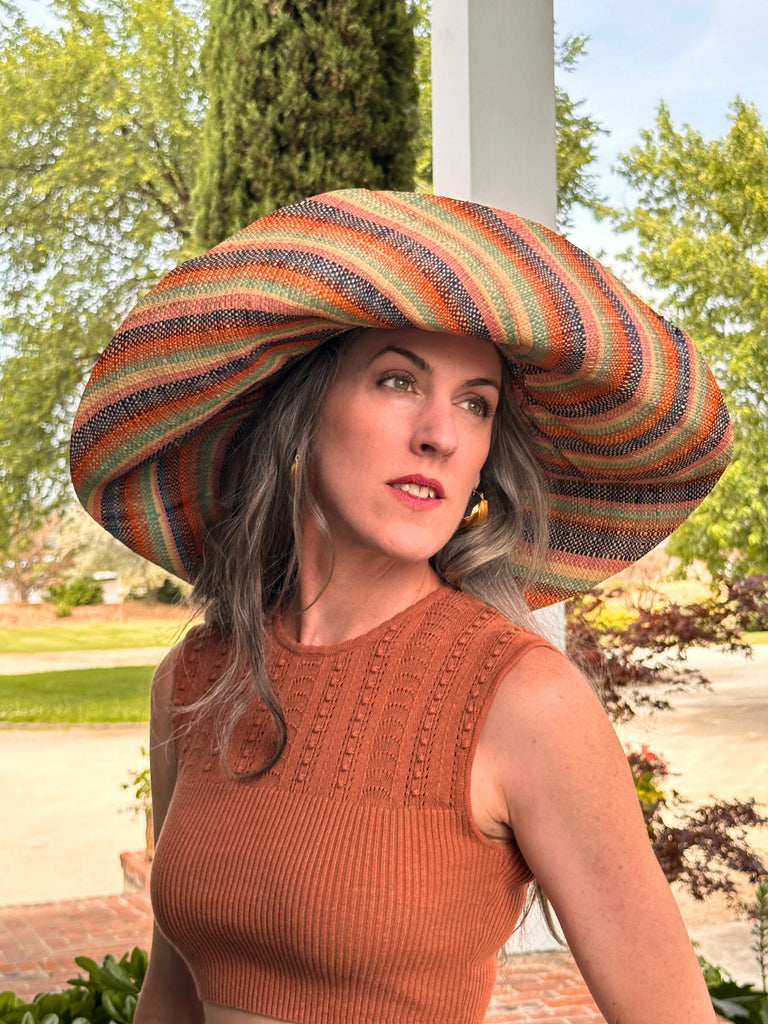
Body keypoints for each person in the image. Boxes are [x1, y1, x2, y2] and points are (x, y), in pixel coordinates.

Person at [70, 189, 732, 1024]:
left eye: (475, 403)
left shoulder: (523, 700)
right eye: (396, 380)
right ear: (303, 414)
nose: (441, 435)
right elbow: (170, 999)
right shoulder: (197, 678)